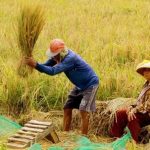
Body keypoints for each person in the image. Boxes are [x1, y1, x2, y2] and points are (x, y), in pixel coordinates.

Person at [25, 39, 99, 135]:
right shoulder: (57, 57)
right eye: (53, 55)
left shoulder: (70, 58)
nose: (53, 57)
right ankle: (65, 134)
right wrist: (34, 64)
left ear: (61, 52)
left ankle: (84, 138)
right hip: (79, 86)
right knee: (67, 108)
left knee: (84, 110)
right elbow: (44, 66)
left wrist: (36, 65)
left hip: (90, 84)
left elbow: (52, 71)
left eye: (55, 55)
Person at [110, 60, 150, 143]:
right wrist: (132, 107)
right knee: (120, 113)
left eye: (148, 70)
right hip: (142, 111)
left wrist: (134, 110)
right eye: (144, 71)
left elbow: (148, 106)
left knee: (132, 116)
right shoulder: (146, 85)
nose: (145, 73)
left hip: (148, 114)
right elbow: (140, 101)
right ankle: (116, 138)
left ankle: (134, 142)